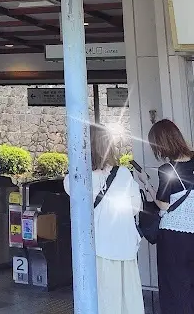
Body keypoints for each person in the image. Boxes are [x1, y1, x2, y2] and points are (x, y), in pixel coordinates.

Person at [63, 123, 143, 314]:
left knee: (102, 301)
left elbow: (74, 198)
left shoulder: (76, 178)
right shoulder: (123, 174)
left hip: (98, 248)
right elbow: (135, 208)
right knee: (128, 301)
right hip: (125, 247)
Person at [148, 119, 194, 314]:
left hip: (174, 237)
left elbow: (164, 205)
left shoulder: (167, 170)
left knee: (174, 286)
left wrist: (148, 188)